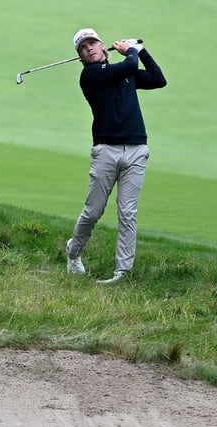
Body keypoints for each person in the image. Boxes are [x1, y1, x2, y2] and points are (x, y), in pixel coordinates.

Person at [64, 28, 168, 284]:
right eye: (83, 48)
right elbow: (128, 65)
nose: (89, 48)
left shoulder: (124, 73)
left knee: (127, 213)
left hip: (136, 149)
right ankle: (73, 252)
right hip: (106, 151)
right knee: (93, 211)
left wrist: (142, 51)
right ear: (81, 57)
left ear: (102, 46)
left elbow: (158, 79)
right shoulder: (90, 76)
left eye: (92, 43)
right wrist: (132, 51)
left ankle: (123, 272)